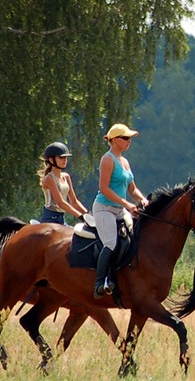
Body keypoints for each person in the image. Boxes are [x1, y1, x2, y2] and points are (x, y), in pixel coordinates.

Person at [92, 123, 149, 299]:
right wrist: (127, 204)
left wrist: (142, 200)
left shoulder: (124, 161)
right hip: (104, 209)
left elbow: (132, 189)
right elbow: (104, 189)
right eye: (125, 138)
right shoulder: (107, 159)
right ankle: (100, 283)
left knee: (133, 239)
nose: (129, 141)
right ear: (115, 140)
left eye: (129, 138)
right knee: (111, 242)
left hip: (120, 210)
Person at [38, 142, 88, 225]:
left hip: (61, 217)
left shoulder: (66, 177)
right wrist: (81, 216)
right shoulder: (49, 178)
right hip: (50, 218)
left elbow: (74, 201)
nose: (65, 160)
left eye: (66, 158)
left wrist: (87, 214)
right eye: (61, 158)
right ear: (51, 160)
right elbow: (61, 203)